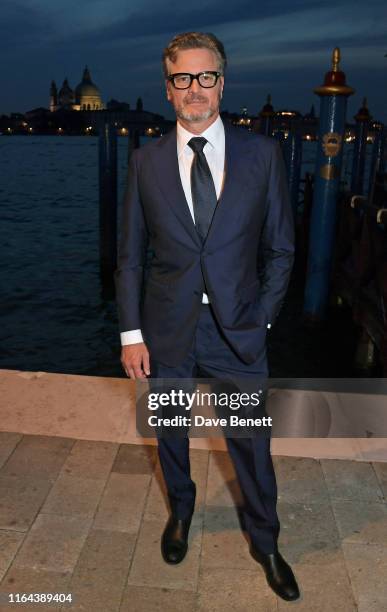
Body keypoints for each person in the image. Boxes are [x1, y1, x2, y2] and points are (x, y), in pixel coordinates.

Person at [114, 32, 300, 602]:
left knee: (250, 440)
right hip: (167, 331)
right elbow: (128, 257)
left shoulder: (263, 156)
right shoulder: (144, 162)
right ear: (168, 89)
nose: (195, 89)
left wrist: (261, 320)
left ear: (223, 82)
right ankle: (181, 513)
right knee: (170, 432)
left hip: (238, 331)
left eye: (206, 76)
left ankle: (265, 541)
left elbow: (281, 250)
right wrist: (131, 334)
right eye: (182, 78)